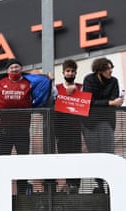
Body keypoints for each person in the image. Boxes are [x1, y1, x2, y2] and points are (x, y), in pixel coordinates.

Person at [0, 58, 52, 194]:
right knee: (2, 160)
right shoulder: (0, 83)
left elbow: (42, 84)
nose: (14, 69)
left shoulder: (29, 82)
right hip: (4, 128)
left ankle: (22, 191)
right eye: (11, 67)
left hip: (23, 128)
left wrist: (47, 79)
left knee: (22, 161)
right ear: (7, 70)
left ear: (21, 68)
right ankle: (1, 190)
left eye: (17, 66)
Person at [82, 57, 124, 193]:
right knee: (94, 153)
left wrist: (109, 103)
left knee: (108, 152)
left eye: (111, 68)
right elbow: (88, 101)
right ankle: (99, 185)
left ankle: (110, 184)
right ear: (99, 69)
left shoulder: (114, 81)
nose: (110, 71)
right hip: (90, 123)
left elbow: (114, 100)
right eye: (107, 68)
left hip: (106, 121)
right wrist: (108, 103)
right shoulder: (89, 79)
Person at [54, 59, 82, 194]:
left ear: (76, 73)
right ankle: (66, 183)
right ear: (63, 72)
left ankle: (75, 185)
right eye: (68, 71)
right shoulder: (57, 88)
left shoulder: (81, 88)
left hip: (76, 129)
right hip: (61, 129)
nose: (70, 73)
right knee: (63, 156)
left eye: (72, 71)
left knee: (76, 157)